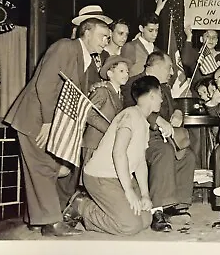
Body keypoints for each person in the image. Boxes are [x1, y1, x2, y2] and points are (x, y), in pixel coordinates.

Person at [3, 17, 111, 236]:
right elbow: (44, 84)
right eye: (102, 36)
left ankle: (36, 219)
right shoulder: (65, 47)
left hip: (40, 117)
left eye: (107, 38)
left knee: (44, 169)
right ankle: (51, 223)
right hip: (34, 118)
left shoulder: (84, 58)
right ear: (86, 32)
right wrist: (47, 122)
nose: (105, 42)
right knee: (44, 167)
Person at [63, 75, 163, 236]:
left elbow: (140, 162)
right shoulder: (129, 115)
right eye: (160, 95)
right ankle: (82, 205)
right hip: (101, 176)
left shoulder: (144, 122)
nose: (162, 100)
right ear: (152, 95)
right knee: (129, 226)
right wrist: (129, 191)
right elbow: (118, 152)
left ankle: (110, 209)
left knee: (145, 220)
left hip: (119, 176)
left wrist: (145, 194)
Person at [122, 51, 196, 232]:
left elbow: (174, 106)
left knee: (188, 156)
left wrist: (177, 112)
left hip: (164, 136)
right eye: (169, 68)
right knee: (163, 152)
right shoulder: (134, 83)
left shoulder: (165, 87)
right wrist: (157, 120)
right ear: (154, 66)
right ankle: (158, 210)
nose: (172, 72)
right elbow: (131, 109)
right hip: (143, 136)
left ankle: (176, 204)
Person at [80, 56, 132, 176]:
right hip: (93, 143)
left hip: (104, 143)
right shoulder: (102, 91)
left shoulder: (120, 95)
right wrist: (110, 129)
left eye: (127, 72)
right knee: (90, 180)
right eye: (121, 71)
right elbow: (89, 114)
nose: (126, 74)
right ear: (110, 73)